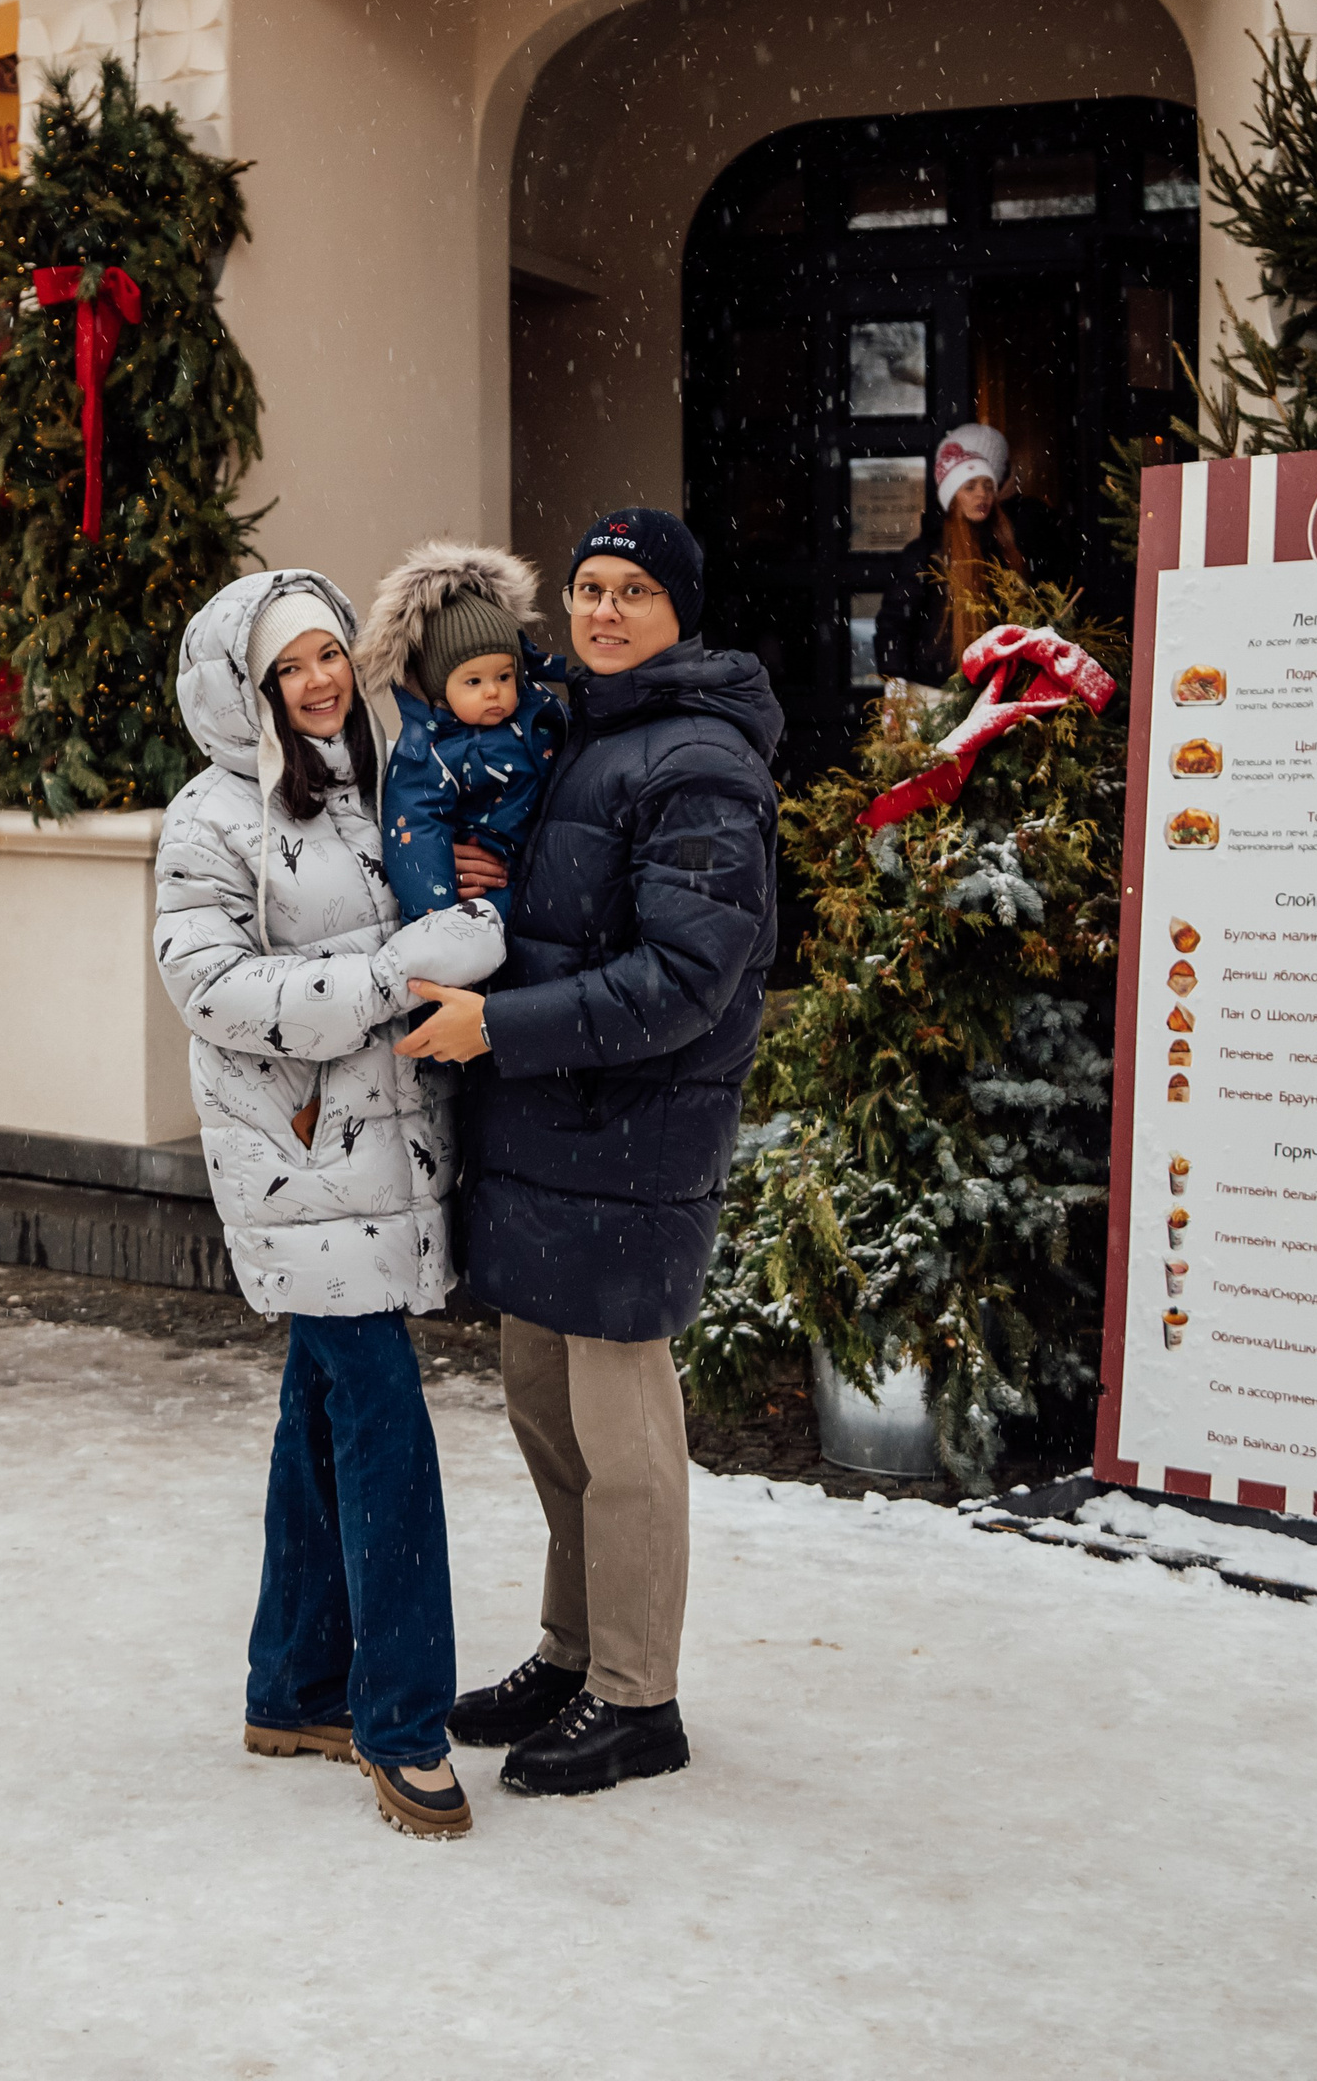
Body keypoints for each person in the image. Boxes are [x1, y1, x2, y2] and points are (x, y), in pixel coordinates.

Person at [397, 506, 782, 1800]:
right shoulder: (575, 731)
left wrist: (496, 1026)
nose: (604, 611)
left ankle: (637, 1694)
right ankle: (573, 1654)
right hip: (547, 1134)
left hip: (629, 1138)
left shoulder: (700, 761)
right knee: (551, 1424)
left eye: (633, 591)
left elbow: (684, 979)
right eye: (589, 587)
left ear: (680, 612)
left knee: (624, 1444)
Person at [155, 569, 504, 1841]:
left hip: (388, 1157)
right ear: (243, 689)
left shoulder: (383, 791)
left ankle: (294, 1685)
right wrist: (392, 972)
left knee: (323, 1410)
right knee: (383, 1427)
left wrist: (469, 895)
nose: (318, 681)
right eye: (287, 667)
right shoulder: (211, 818)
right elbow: (213, 989)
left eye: (329, 655)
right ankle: (402, 1725)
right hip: (298, 1163)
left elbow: (434, 924)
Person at [353, 540, 565, 923]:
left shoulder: (540, 712)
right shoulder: (430, 753)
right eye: (473, 682)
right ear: (441, 690)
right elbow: (416, 833)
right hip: (486, 891)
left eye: (504, 676)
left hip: (547, 872)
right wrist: (435, 919)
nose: (492, 691)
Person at [874, 422, 1063, 690]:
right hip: (936, 689)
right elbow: (895, 621)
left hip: (996, 687)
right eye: (970, 487)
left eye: (988, 486)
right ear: (953, 497)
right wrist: (895, 679)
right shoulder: (925, 553)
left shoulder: (1007, 549)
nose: (981, 494)